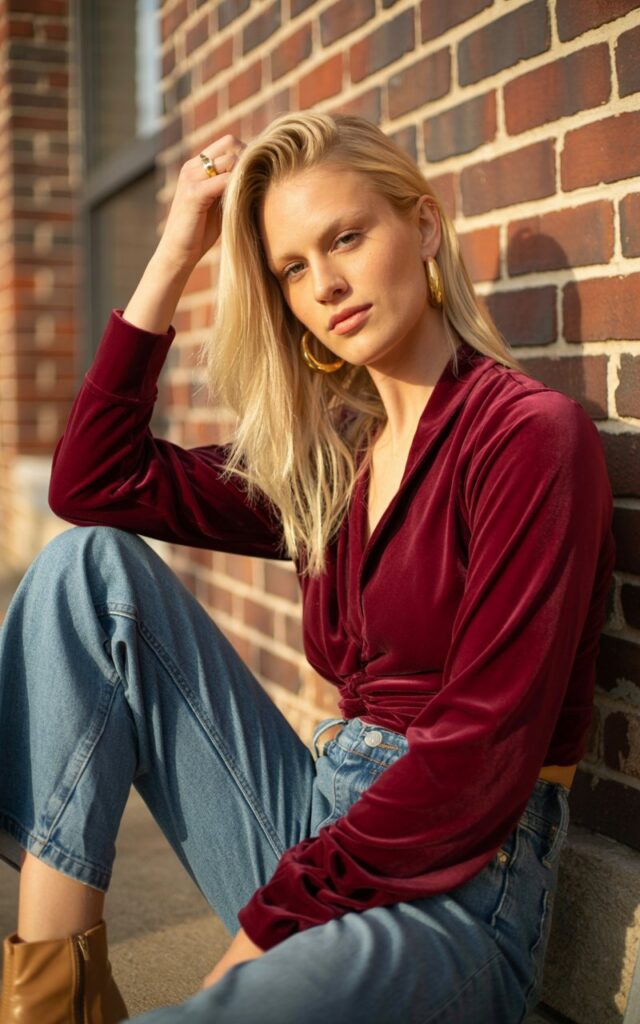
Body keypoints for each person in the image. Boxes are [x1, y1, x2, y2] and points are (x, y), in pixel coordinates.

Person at [0, 111, 615, 1024]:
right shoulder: (334, 462)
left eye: (346, 238)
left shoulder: (527, 438)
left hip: (455, 892)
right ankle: (53, 1004)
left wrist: (260, 933)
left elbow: (476, 763)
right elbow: (93, 481)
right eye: (292, 268)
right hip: (316, 830)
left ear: (424, 226)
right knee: (85, 571)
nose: (324, 284)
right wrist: (177, 249)